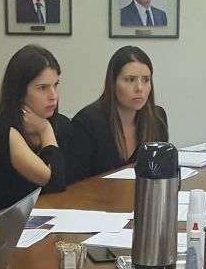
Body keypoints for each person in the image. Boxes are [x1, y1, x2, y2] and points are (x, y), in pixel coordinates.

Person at [0, 45, 72, 220]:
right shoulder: (2, 129)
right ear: (20, 92)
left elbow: (70, 183)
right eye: (42, 88)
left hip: (42, 220)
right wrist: (45, 130)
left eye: (56, 85)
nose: (53, 95)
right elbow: (55, 182)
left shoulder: (63, 125)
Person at [70, 46, 169, 180]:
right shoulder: (87, 122)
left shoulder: (156, 118)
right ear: (113, 83)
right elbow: (75, 182)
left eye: (146, 80)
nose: (139, 88)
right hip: (95, 193)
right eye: (130, 80)